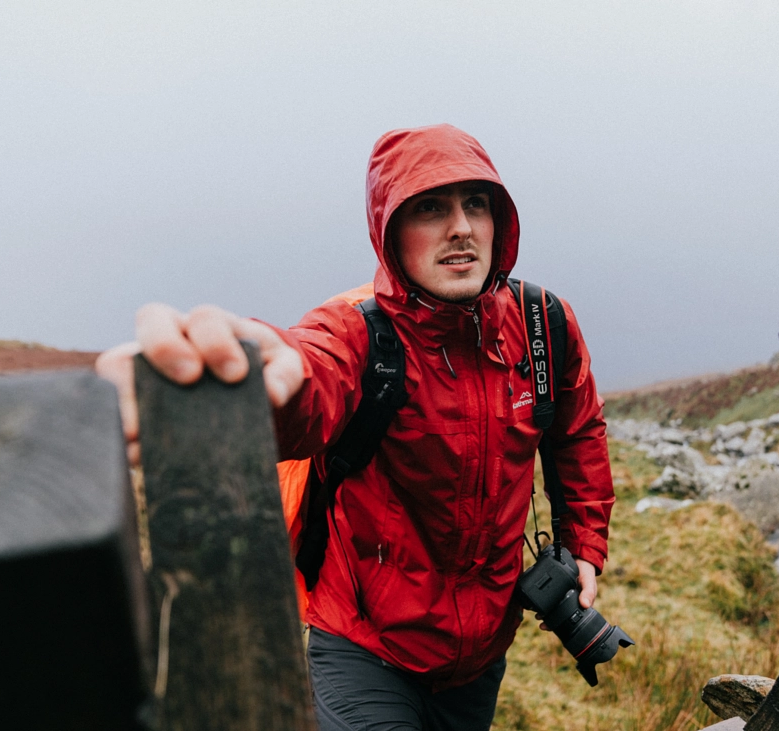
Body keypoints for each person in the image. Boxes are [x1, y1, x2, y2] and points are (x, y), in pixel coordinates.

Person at [97, 123, 614, 730]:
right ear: (389, 232)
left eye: (477, 203)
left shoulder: (541, 323)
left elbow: (577, 432)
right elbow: (310, 381)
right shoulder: (359, 334)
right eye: (429, 208)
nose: (461, 228)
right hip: (362, 646)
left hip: (480, 658)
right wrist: (254, 377)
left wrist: (583, 545)